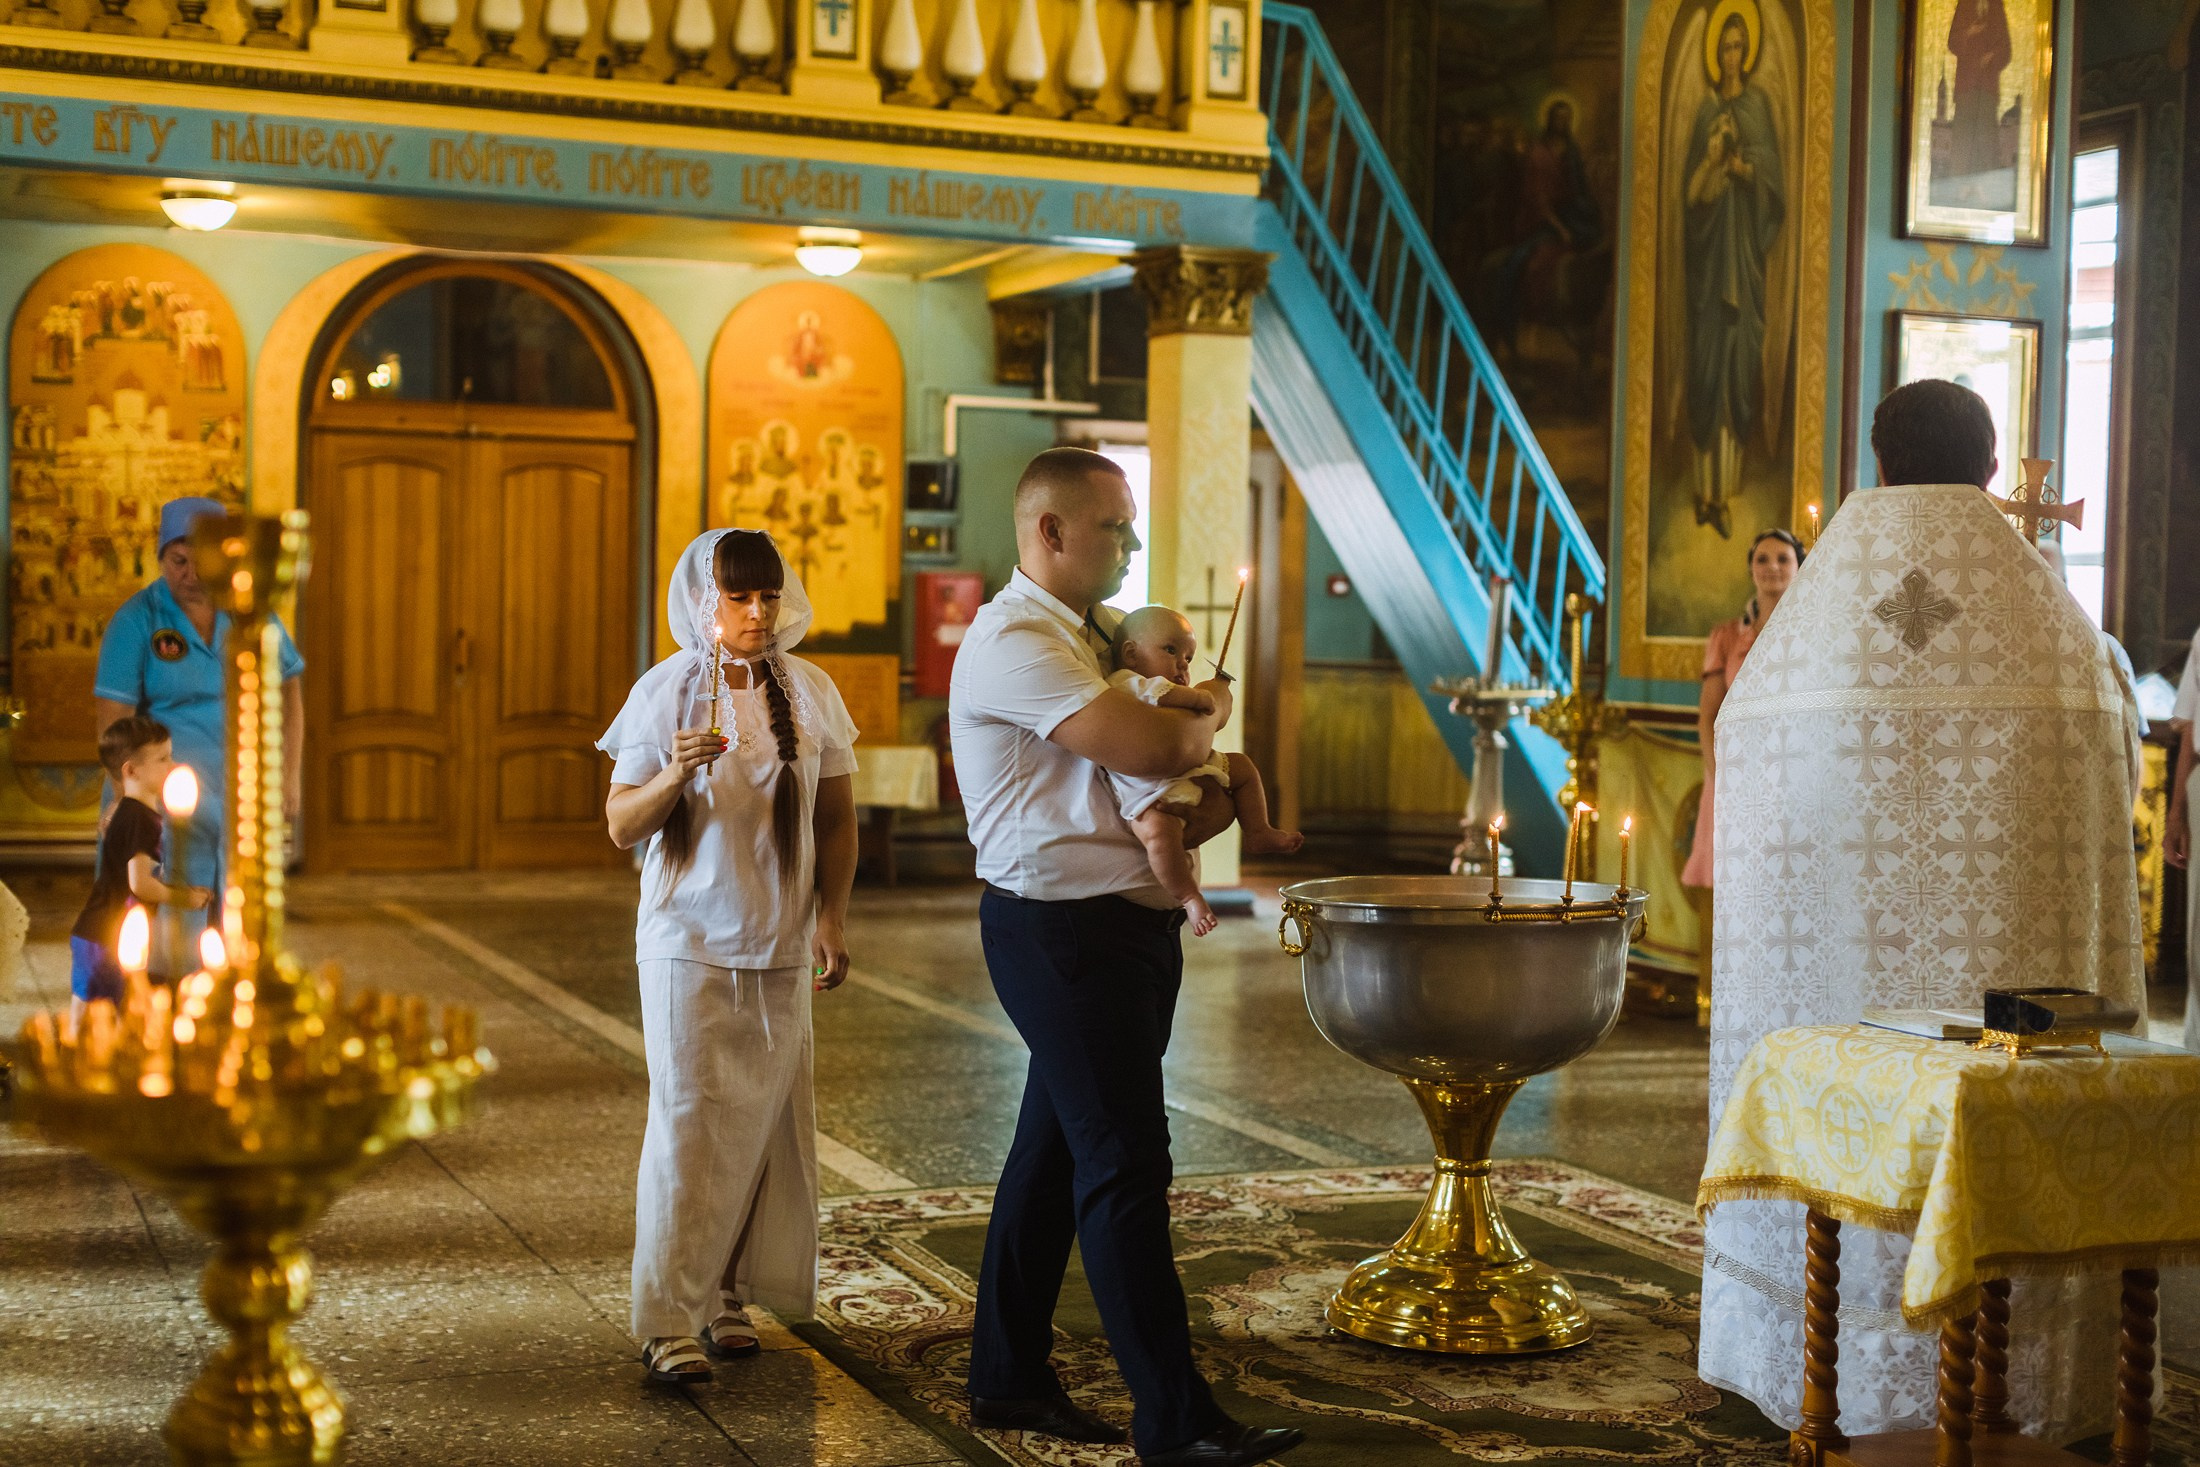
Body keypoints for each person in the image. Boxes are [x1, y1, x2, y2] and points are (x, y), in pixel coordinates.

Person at [1698, 378, 2142, 1439]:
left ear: (1878, 463)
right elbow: (2115, 760)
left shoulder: (1812, 623)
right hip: (2009, 997)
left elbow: (1742, 752)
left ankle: (1797, 1365)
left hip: (1842, 988)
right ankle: (2035, 1385)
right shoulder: (2057, 634)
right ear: (1991, 469)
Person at [949, 448, 1304, 1466]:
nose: (1134, 543)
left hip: (1122, 920)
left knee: (1054, 1156)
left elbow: (1144, 776)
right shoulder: (1017, 639)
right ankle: (1176, 1423)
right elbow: (1149, 753)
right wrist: (1212, 714)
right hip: (1064, 933)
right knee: (1125, 1165)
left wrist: (1189, 746)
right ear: (1050, 532)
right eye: (1115, 525)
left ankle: (1007, 1376)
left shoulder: (1096, 633)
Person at [599, 528, 860, 1388]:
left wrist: (832, 916)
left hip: (780, 940)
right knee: (688, 1124)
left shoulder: (811, 691)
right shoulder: (665, 691)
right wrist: (674, 775)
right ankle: (665, 1318)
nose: (756, 613)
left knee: (762, 1125)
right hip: (689, 940)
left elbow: (835, 820)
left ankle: (724, 1297)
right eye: (738, 597)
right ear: (702, 602)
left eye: (768, 596)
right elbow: (621, 824)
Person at [94, 496, 303, 975]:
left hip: (241, 787)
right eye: (177, 561)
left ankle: (233, 1007)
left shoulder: (251, 608)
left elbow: (289, 692)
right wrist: (122, 798)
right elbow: (114, 722)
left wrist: (289, 776)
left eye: (200, 561)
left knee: (241, 917)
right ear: (160, 557)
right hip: (166, 790)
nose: (190, 574)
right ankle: (167, 1014)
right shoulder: (137, 620)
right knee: (169, 919)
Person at [1105, 606, 1302, 935]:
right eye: (1171, 651)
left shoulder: (1154, 683)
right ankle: (1189, 896)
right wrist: (1201, 699)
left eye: (1188, 658)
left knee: (1241, 766)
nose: (1182, 664)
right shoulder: (1127, 682)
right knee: (1158, 835)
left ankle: (1258, 830)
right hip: (1151, 794)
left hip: (1191, 771)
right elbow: (1163, 695)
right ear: (1131, 654)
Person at [1682, 11, 1785, 538]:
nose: (1731, 55)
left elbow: (1775, 185)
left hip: (1743, 267)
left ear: (1747, 52)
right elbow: (1689, 198)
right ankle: (1704, 493)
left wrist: (1744, 169)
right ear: (1715, 53)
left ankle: (1728, 490)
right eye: (1724, 47)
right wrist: (1711, 162)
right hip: (1707, 271)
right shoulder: (1705, 112)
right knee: (1706, 371)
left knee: (1737, 369)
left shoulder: (1757, 107)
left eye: (1739, 46)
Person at [1683, 528, 1803, 893]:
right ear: (1750, 569)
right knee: (1734, 884)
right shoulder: (1727, 636)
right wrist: (1720, 776)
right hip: (1734, 772)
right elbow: (1708, 715)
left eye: (1783, 558)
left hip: (1790, 770)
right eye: (1762, 559)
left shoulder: (1812, 632)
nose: (1772, 567)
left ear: (1799, 566)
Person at [69, 716, 210, 1012]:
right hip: (106, 935)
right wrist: (185, 897)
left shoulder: (130, 810)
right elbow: (140, 883)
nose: (173, 766)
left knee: (95, 1009)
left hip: (99, 931)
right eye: (162, 759)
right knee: (100, 1015)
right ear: (131, 770)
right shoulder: (142, 820)